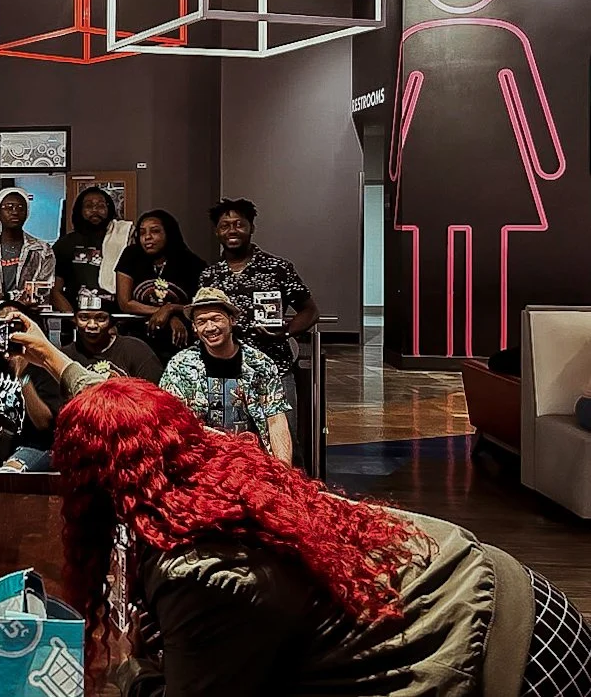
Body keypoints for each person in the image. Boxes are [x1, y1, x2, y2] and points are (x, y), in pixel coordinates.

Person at [50, 377, 591, 697]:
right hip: (514, 589)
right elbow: (120, 417)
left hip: (517, 655)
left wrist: (140, 672)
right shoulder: (223, 468)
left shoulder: (200, 569)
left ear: (94, 482)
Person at [197, 198, 319, 437]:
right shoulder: (209, 275)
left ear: (251, 227)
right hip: (225, 373)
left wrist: (286, 331)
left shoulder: (277, 268)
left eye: (239, 224)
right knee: (230, 443)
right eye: (225, 225)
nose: (232, 230)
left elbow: (310, 311)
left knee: (283, 441)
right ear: (216, 232)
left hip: (274, 368)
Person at [161, 287, 292, 464]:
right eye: (201, 321)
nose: (210, 327)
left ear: (232, 320)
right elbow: (169, 423)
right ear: (194, 327)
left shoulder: (261, 364)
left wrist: (284, 470)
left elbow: (275, 419)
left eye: (216, 319)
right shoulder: (179, 366)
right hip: (201, 462)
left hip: (253, 461)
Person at [0, 302, 65, 471]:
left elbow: (44, 425)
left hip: (34, 445)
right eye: (1, 325)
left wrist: (22, 375)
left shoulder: (43, 362)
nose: (8, 332)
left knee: (8, 475)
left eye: (14, 326)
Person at [115, 209, 207, 362]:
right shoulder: (131, 255)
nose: (147, 237)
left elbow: (198, 305)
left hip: (178, 343)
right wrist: (165, 314)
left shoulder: (192, 263)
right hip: (136, 338)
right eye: (142, 233)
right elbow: (125, 303)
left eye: (155, 231)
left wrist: (170, 309)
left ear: (169, 233)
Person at [0, 189, 56, 310]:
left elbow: (42, 293)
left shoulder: (42, 250)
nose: (15, 212)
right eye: (8, 207)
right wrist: (16, 300)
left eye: (20, 208)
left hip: (30, 320)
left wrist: (5, 297)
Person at [52, 187, 133, 313]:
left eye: (101, 206)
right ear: (80, 210)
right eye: (89, 206)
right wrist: (74, 319)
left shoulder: (124, 239)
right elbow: (55, 291)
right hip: (77, 322)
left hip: (119, 321)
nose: (95, 210)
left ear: (109, 209)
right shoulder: (65, 244)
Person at [60, 291, 162, 384]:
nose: (92, 325)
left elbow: (154, 396)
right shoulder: (64, 357)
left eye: (100, 318)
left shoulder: (136, 351)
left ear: (111, 322)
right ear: (75, 320)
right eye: (84, 318)